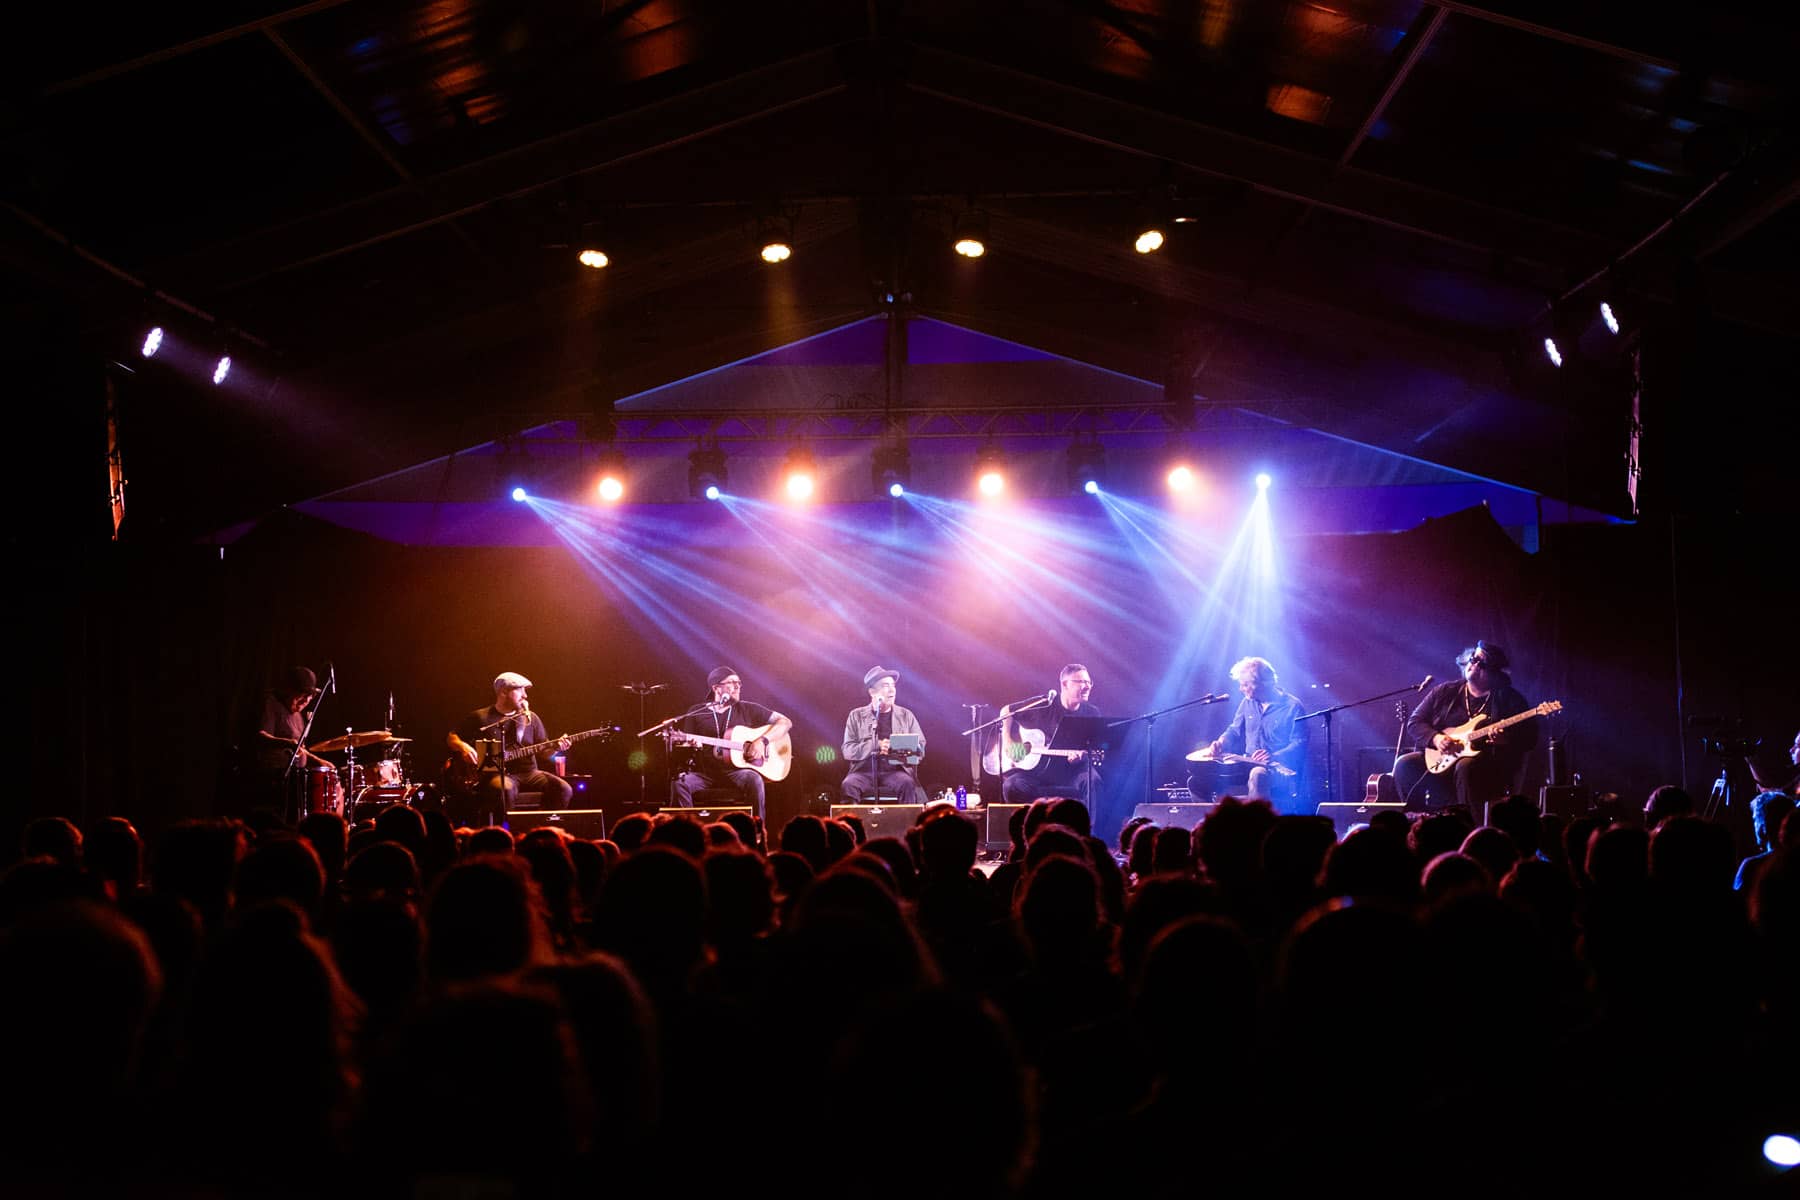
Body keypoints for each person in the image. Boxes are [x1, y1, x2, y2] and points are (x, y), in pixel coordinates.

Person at [1394, 641, 1537, 815]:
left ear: (1494, 673)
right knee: (1405, 764)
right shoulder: (1445, 691)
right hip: (1441, 759)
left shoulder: (1509, 699)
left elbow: (1530, 737)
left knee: (1466, 765)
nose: (1473, 664)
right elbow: (1415, 722)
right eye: (1473, 658)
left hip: (1487, 766)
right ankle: (1418, 819)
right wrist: (1436, 738)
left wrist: (1505, 739)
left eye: (1481, 663)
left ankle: (1467, 822)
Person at [446, 672, 572, 823]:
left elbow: (544, 753)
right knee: (504, 790)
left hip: (529, 772)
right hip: (498, 775)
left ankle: (541, 827)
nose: (525, 695)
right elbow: (452, 737)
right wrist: (463, 747)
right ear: (503, 692)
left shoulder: (531, 718)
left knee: (564, 789)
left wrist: (556, 748)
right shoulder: (481, 717)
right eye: (520, 690)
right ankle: (506, 831)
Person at [669, 666, 792, 821]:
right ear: (716, 688)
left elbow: (785, 722)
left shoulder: (747, 708)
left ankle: (757, 828)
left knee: (754, 779)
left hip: (737, 772)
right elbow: (687, 748)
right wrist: (693, 747)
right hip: (706, 773)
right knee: (679, 783)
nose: (737, 687)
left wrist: (762, 741)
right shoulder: (697, 712)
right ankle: (688, 828)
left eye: (739, 683)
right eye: (732, 683)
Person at [1203, 656, 1308, 806]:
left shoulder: (1293, 706)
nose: (1241, 688)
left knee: (1258, 774)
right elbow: (1234, 730)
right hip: (1247, 762)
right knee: (1199, 779)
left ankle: (1255, 820)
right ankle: (1211, 819)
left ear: (1263, 683)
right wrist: (1220, 742)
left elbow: (1300, 743)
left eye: (1245, 684)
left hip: (1279, 767)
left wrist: (1273, 755)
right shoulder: (1247, 702)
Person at [999, 663, 1105, 808]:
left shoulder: (1092, 713)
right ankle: (1038, 819)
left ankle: (1086, 824)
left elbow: (1096, 748)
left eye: (1089, 682)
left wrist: (1082, 757)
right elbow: (1006, 711)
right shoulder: (1044, 705)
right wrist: (1008, 741)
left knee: (1093, 782)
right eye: (1081, 682)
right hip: (1039, 773)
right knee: (1012, 786)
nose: (1087, 686)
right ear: (1065, 684)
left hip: (1072, 773)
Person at [242, 666, 336, 820]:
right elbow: (260, 736)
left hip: (294, 783)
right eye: (302, 695)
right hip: (271, 781)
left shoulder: (298, 716)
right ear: (288, 690)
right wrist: (288, 743)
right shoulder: (270, 703)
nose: (306, 701)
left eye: (310, 696)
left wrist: (318, 761)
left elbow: (299, 749)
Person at [841, 666, 928, 804]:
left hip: (895, 772)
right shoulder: (856, 716)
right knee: (849, 785)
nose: (892, 690)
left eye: (893, 685)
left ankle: (907, 818)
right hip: (863, 772)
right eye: (886, 686)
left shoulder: (906, 715)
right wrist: (876, 745)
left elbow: (921, 748)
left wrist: (897, 748)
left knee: (907, 783)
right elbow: (847, 750)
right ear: (872, 692)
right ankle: (850, 818)